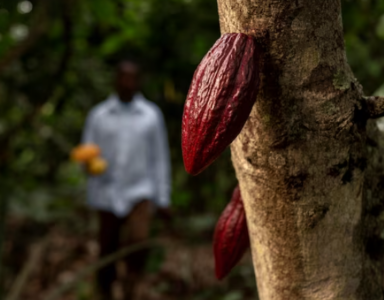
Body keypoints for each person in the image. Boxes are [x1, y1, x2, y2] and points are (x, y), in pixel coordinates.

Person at [81, 60, 172, 300]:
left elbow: (159, 158)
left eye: (132, 78)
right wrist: (89, 166)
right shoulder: (98, 116)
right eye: (123, 77)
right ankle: (105, 291)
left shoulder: (151, 116)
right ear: (116, 80)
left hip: (139, 192)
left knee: (137, 246)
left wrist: (163, 198)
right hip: (106, 193)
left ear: (139, 82)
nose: (127, 82)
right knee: (107, 248)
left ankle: (133, 289)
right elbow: (87, 153)